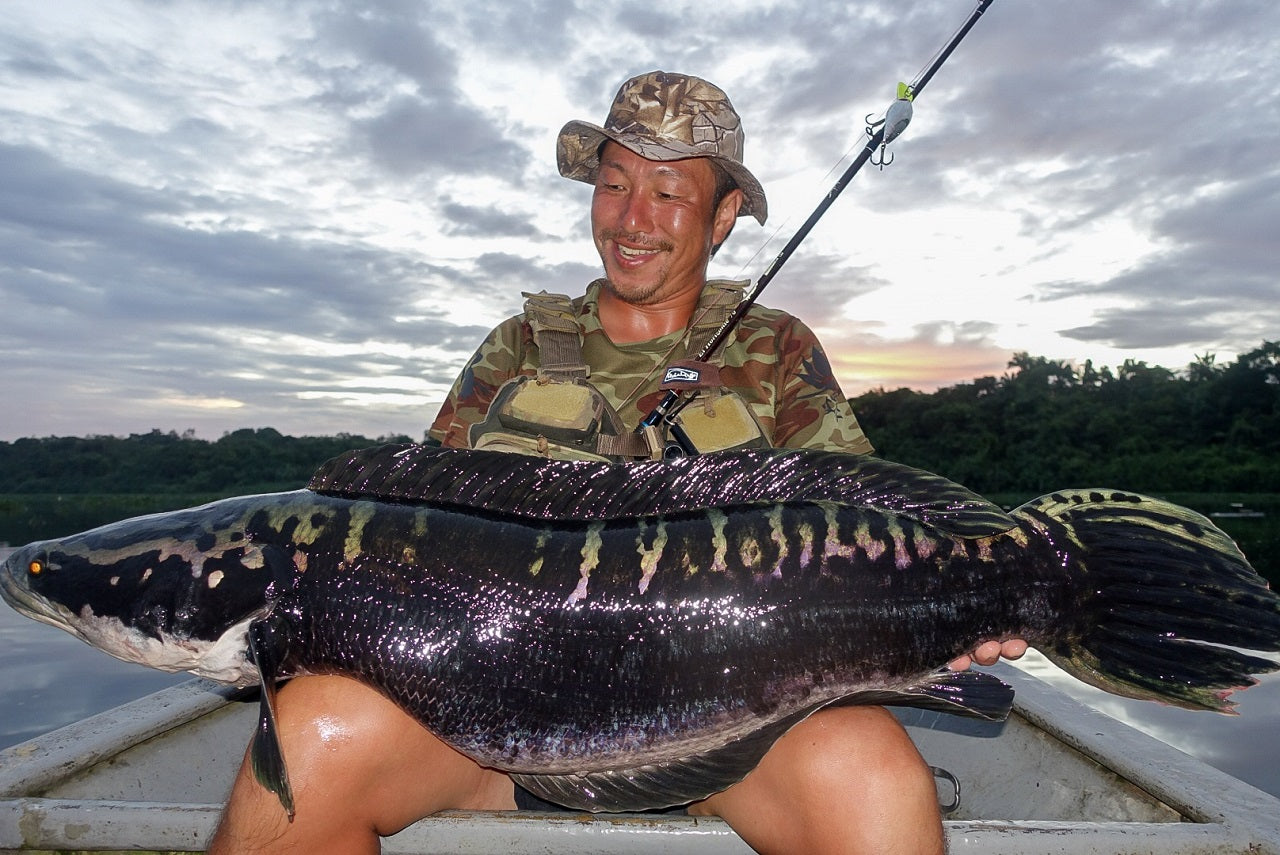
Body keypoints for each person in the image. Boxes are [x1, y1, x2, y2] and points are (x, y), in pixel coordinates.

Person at [209, 70, 1025, 855]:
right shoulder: (515, 347)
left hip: (734, 732)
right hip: (484, 732)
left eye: (668, 193)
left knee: (875, 782)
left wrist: (963, 594)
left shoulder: (778, 349)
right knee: (309, 743)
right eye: (613, 184)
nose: (632, 219)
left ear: (724, 214)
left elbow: (865, 531)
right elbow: (407, 540)